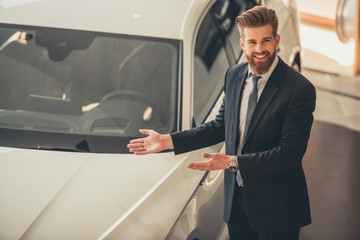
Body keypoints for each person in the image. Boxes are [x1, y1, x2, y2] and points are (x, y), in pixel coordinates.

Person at [128, 6, 316, 240]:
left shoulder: (300, 90)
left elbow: (289, 154)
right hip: (236, 205)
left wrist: (232, 162)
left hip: (277, 210)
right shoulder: (234, 75)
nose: (259, 49)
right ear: (242, 44)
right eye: (252, 42)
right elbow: (219, 126)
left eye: (266, 41)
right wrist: (167, 140)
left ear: (276, 40)